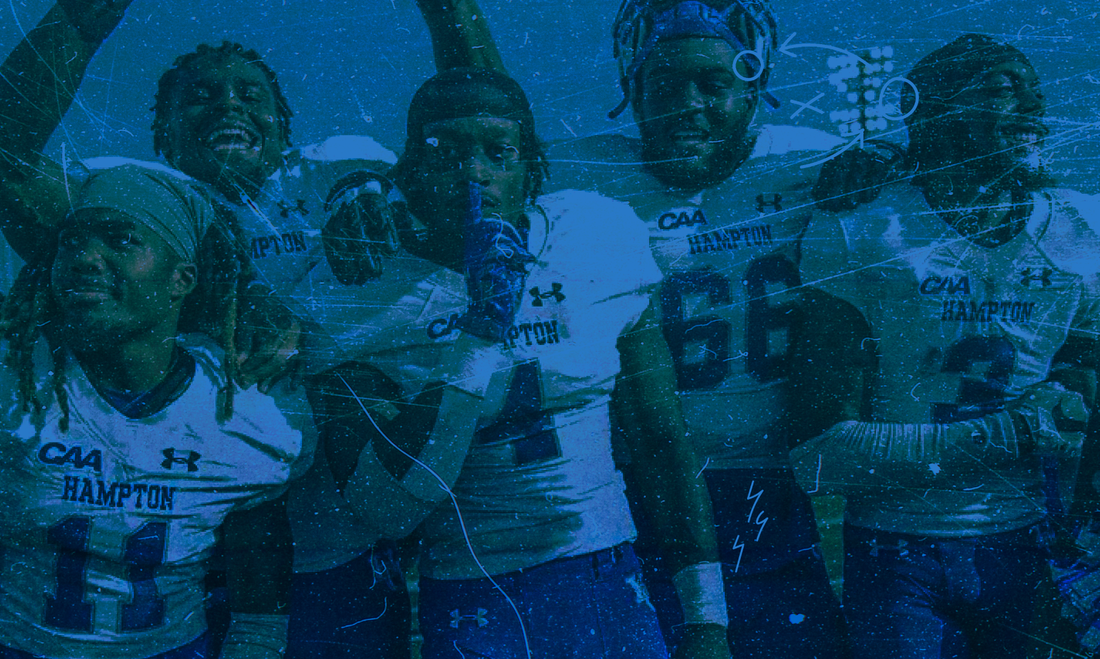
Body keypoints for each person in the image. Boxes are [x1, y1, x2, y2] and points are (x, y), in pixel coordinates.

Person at [415, 1, 852, 656]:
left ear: (755, 88)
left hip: (769, 477)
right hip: (644, 482)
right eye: (665, 85)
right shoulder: (588, 177)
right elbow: (489, 105)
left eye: (713, 83)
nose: (690, 105)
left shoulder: (815, 164)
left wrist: (877, 169)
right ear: (631, 91)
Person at [0, 3, 415, 656]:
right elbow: (5, 154)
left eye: (250, 95)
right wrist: (81, 23)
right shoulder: (122, 198)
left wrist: (372, 190)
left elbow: (466, 163)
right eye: (199, 96)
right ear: (161, 132)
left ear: (284, 130)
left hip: (326, 553)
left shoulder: (336, 176)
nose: (227, 104)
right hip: (150, 561)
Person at [318, 66, 731, 659]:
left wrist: (706, 620)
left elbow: (663, 440)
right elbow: (389, 511)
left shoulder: (596, 234)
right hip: (471, 591)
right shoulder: (366, 287)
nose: (473, 173)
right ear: (406, 173)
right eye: (444, 154)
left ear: (532, 168)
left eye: (497, 152)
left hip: (607, 573)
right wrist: (481, 330)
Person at [789, 33, 1100, 659]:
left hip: (1029, 541)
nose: (1031, 111)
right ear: (935, 114)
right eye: (1000, 92)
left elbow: (1085, 384)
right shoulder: (866, 226)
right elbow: (819, 455)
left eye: (1033, 93)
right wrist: (1003, 434)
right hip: (895, 544)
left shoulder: (1080, 226)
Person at [0, 164, 306, 659]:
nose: (84, 259)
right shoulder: (15, 380)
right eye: (70, 242)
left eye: (121, 240)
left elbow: (258, 602)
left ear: (182, 279)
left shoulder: (249, 409)